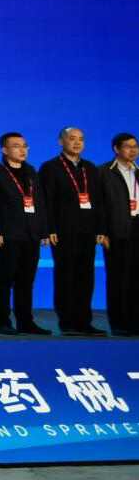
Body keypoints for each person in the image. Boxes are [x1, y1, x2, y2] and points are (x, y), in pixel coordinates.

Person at [42, 126, 106, 335]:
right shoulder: (50, 167)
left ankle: (84, 321)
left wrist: (100, 228)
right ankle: (67, 322)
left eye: (81, 139)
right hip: (63, 231)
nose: (77, 142)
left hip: (88, 230)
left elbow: (99, 201)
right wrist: (49, 228)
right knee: (66, 276)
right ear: (61, 142)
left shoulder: (91, 168)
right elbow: (46, 201)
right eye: (72, 138)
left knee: (86, 276)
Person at [0, 132, 52, 335]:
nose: (22, 150)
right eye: (16, 146)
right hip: (8, 234)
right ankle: (3, 322)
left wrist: (44, 231)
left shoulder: (32, 171)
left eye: (25, 146)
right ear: (4, 150)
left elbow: (40, 202)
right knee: (6, 278)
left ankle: (26, 322)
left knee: (26, 280)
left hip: (31, 233)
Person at [101, 133, 139, 336]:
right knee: (118, 278)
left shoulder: (138, 171)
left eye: (135, 146)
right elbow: (99, 206)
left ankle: (134, 321)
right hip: (117, 231)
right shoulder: (104, 172)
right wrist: (102, 231)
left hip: (137, 228)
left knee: (135, 278)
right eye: (128, 146)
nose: (133, 150)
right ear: (116, 149)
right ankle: (118, 323)